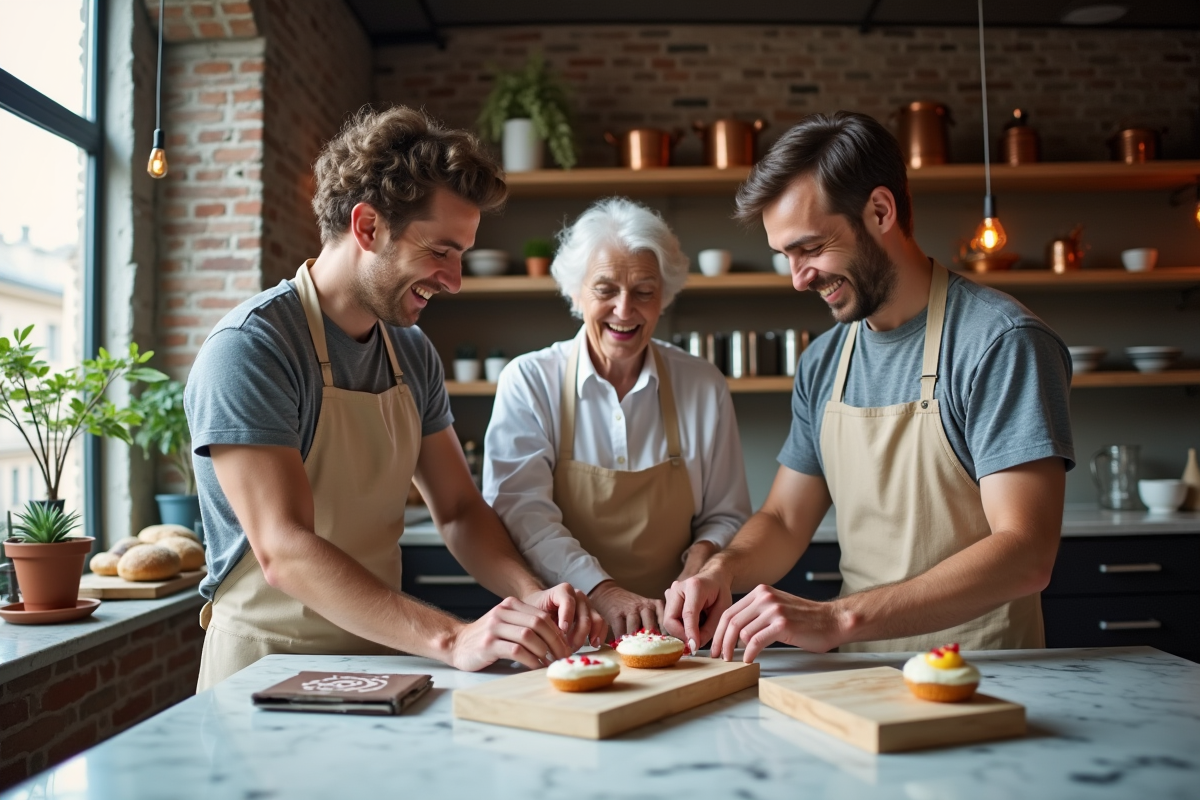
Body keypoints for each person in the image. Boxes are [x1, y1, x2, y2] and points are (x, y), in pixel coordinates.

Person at [186, 107, 604, 691]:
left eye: (461, 254)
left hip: (381, 658)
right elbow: (284, 549)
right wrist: (453, 638)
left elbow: (458, 510)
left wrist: (534, 599)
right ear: (367, 228)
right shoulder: (251, 348)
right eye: (440, 251)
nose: (455, 280)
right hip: (264, 667)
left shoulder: (411, 351)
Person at [664, 112, 1073, 660]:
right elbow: (785, 519)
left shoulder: (999, 342)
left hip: (984, 672)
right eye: (786, 255)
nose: (798, 278)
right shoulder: (823, 361)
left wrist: (837, 617)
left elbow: (1025, 552)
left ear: (880, 211)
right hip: (860, 669)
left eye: (810, 248)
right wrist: (722, 570)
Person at [483, 198, 752, 639]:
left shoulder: (702, 384)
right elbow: (523, 513)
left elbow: (726, 514)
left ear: (664, 295)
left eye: (644, 291)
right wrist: (602, 591)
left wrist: (698, 569)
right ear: (574, 292)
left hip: (676, 627)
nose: (625, 310)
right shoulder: (530, 381)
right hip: (565, 627)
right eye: (605, 289)